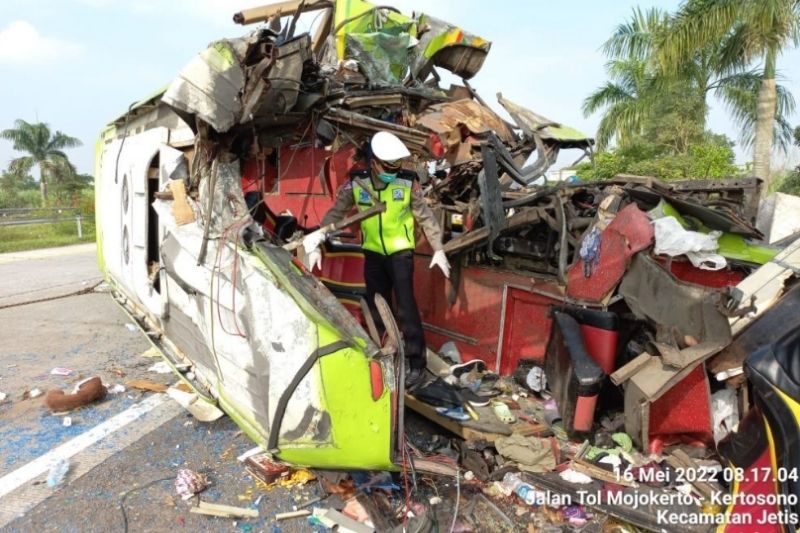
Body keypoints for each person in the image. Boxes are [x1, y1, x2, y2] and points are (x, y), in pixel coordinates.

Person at [302, 131, 450, 388]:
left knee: (406, 307)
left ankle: (417, 364)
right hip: (372, 253)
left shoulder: (407, 182)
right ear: (375, 162)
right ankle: (386, 356)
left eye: (398, 165)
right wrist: (317, 240)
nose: (395, 170)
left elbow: (425, 216)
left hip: (400, 254)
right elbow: (337, 213)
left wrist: (438, 248)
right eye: (389, 166)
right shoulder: (356, 183)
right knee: (376, 306)